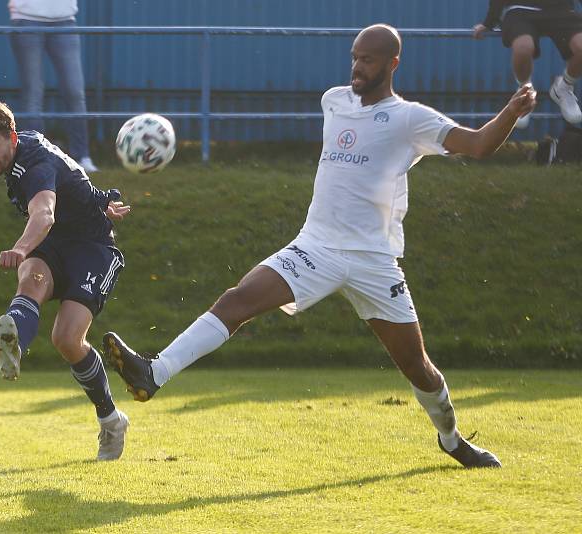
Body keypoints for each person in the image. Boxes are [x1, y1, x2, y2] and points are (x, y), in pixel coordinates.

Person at [102, 24, 538, 469]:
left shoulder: (410, 118)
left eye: (367, 60)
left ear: (392, 64)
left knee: (418, 367)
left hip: (373, 260)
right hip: (316, 247)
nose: (357, 67)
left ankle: (451, 439)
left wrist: (512, 111)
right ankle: (152, 374)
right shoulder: (334, 101)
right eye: (354, 56)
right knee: (237, 300)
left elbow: (480, 144)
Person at [0, 100, 131, 461]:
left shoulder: (31, 166)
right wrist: (100, 200)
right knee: (30, 281)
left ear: (11, 137)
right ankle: (14, 341)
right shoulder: (30, 141)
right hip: (56, 246)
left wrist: (21, 247)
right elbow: (71, 176)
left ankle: (111, 420)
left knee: (67, 339)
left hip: (92, 249)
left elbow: (44, 213)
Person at [8, 0, 99, 174]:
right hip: (26, 18)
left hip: (65, 20)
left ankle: (82, 156)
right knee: (33, 94)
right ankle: (35, 158)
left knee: (75, 92)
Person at [473, 0, 582, 128]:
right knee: (523, 48)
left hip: (560, 10)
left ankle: (563, 88)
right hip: (520, 9)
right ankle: (524, 94)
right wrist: (489, 23)